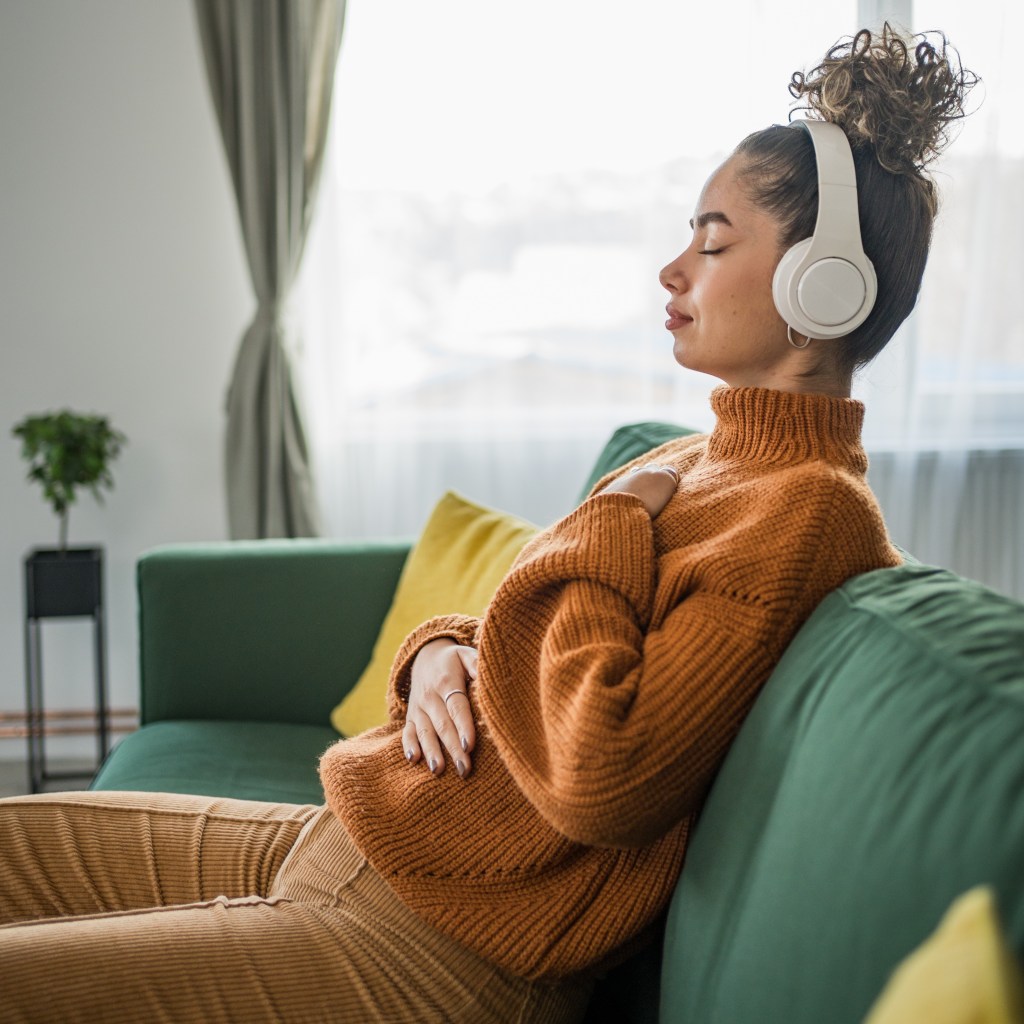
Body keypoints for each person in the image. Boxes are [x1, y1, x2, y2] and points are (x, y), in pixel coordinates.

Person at [0, 24, 976, 1024]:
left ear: (824, 286)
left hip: (428, 952)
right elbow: (521, 629)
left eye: (713, 240)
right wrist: (436, 652)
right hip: (359, 839)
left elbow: (604, 769)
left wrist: (604, 525)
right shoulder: (689, 457)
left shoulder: (810, 511)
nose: (671, 269)